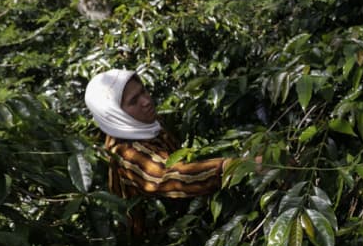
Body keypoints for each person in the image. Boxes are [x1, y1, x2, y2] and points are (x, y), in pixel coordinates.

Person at [84, 68, 244, 235]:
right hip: (155, 240)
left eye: (143, 91)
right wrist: (231, 167)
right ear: (114, 114)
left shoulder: (145, 124)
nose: (146, 101)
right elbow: (170, 175)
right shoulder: (127, 153)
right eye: (133, 101)